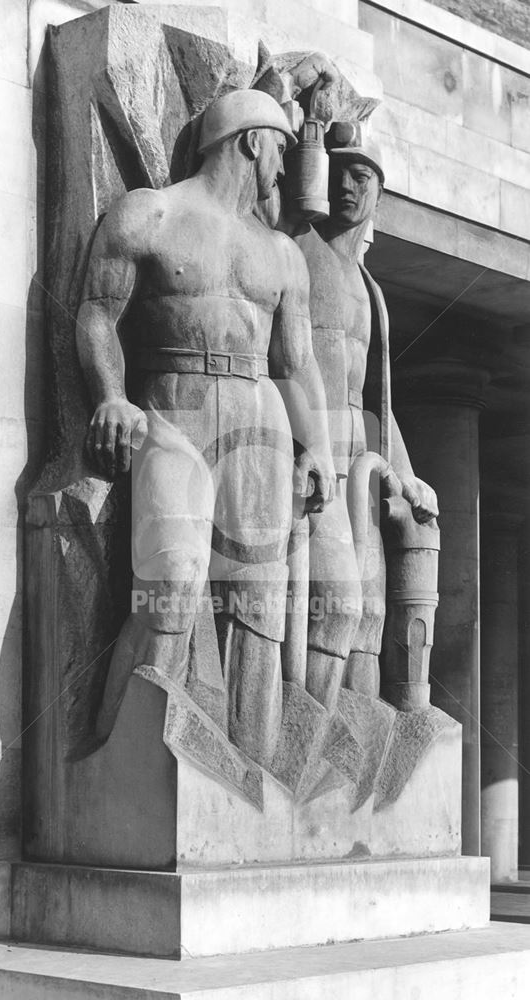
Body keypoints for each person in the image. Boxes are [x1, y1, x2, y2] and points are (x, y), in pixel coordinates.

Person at [75, 89, 335, 767]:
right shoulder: (149, 213)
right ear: (251, 141)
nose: (283, 168)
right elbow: (98, 314)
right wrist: (109, 397)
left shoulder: (280, 253)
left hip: (259, 420)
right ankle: (121, 762)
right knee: (171, 580)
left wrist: (320, 448)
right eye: (281, 147)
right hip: (172, 409)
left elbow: (295, 365)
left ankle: (251, 775)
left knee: (257, 606)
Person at [289, 122, 438, 712]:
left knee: (371, 611)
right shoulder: (301, 250)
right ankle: (315, 729)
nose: (348, 187)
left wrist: (407, 471)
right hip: (315, 442)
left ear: (378, 191)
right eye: (340, 174)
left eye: (362, 177)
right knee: (333, 605)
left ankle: (360, 734)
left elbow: (377, 399)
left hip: (362, 455)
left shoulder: (371, 286)